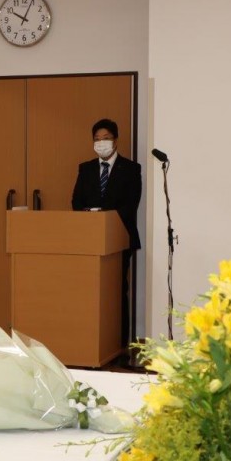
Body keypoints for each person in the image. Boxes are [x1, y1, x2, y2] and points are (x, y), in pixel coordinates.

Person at [71, 118, 141, 349]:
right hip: (89, 242)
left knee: (117, 291)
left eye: (106, 138)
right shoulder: (86, 168)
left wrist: (105, 216)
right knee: (90, 293)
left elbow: (131, 206)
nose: (101, 143)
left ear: (115, 140)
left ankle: (120, 344)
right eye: (97, 139)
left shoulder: (131, 169)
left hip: (118, 241)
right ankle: (91, 342)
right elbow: (76, 201)